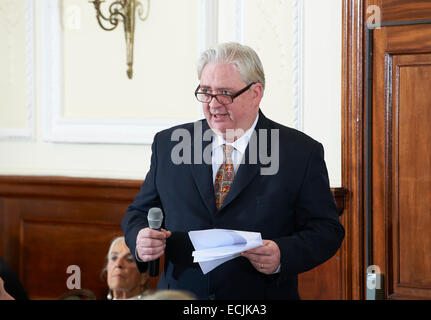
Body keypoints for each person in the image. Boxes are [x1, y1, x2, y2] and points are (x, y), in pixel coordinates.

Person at [122, 42, 345, 300]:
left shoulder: (299, 152)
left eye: (225, 93)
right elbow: (138, 212)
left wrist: (283, 254)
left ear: (256, 93)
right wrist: (140, 239)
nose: (213, 104)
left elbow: (327, 230)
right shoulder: (169, 144)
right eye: (205, 92)